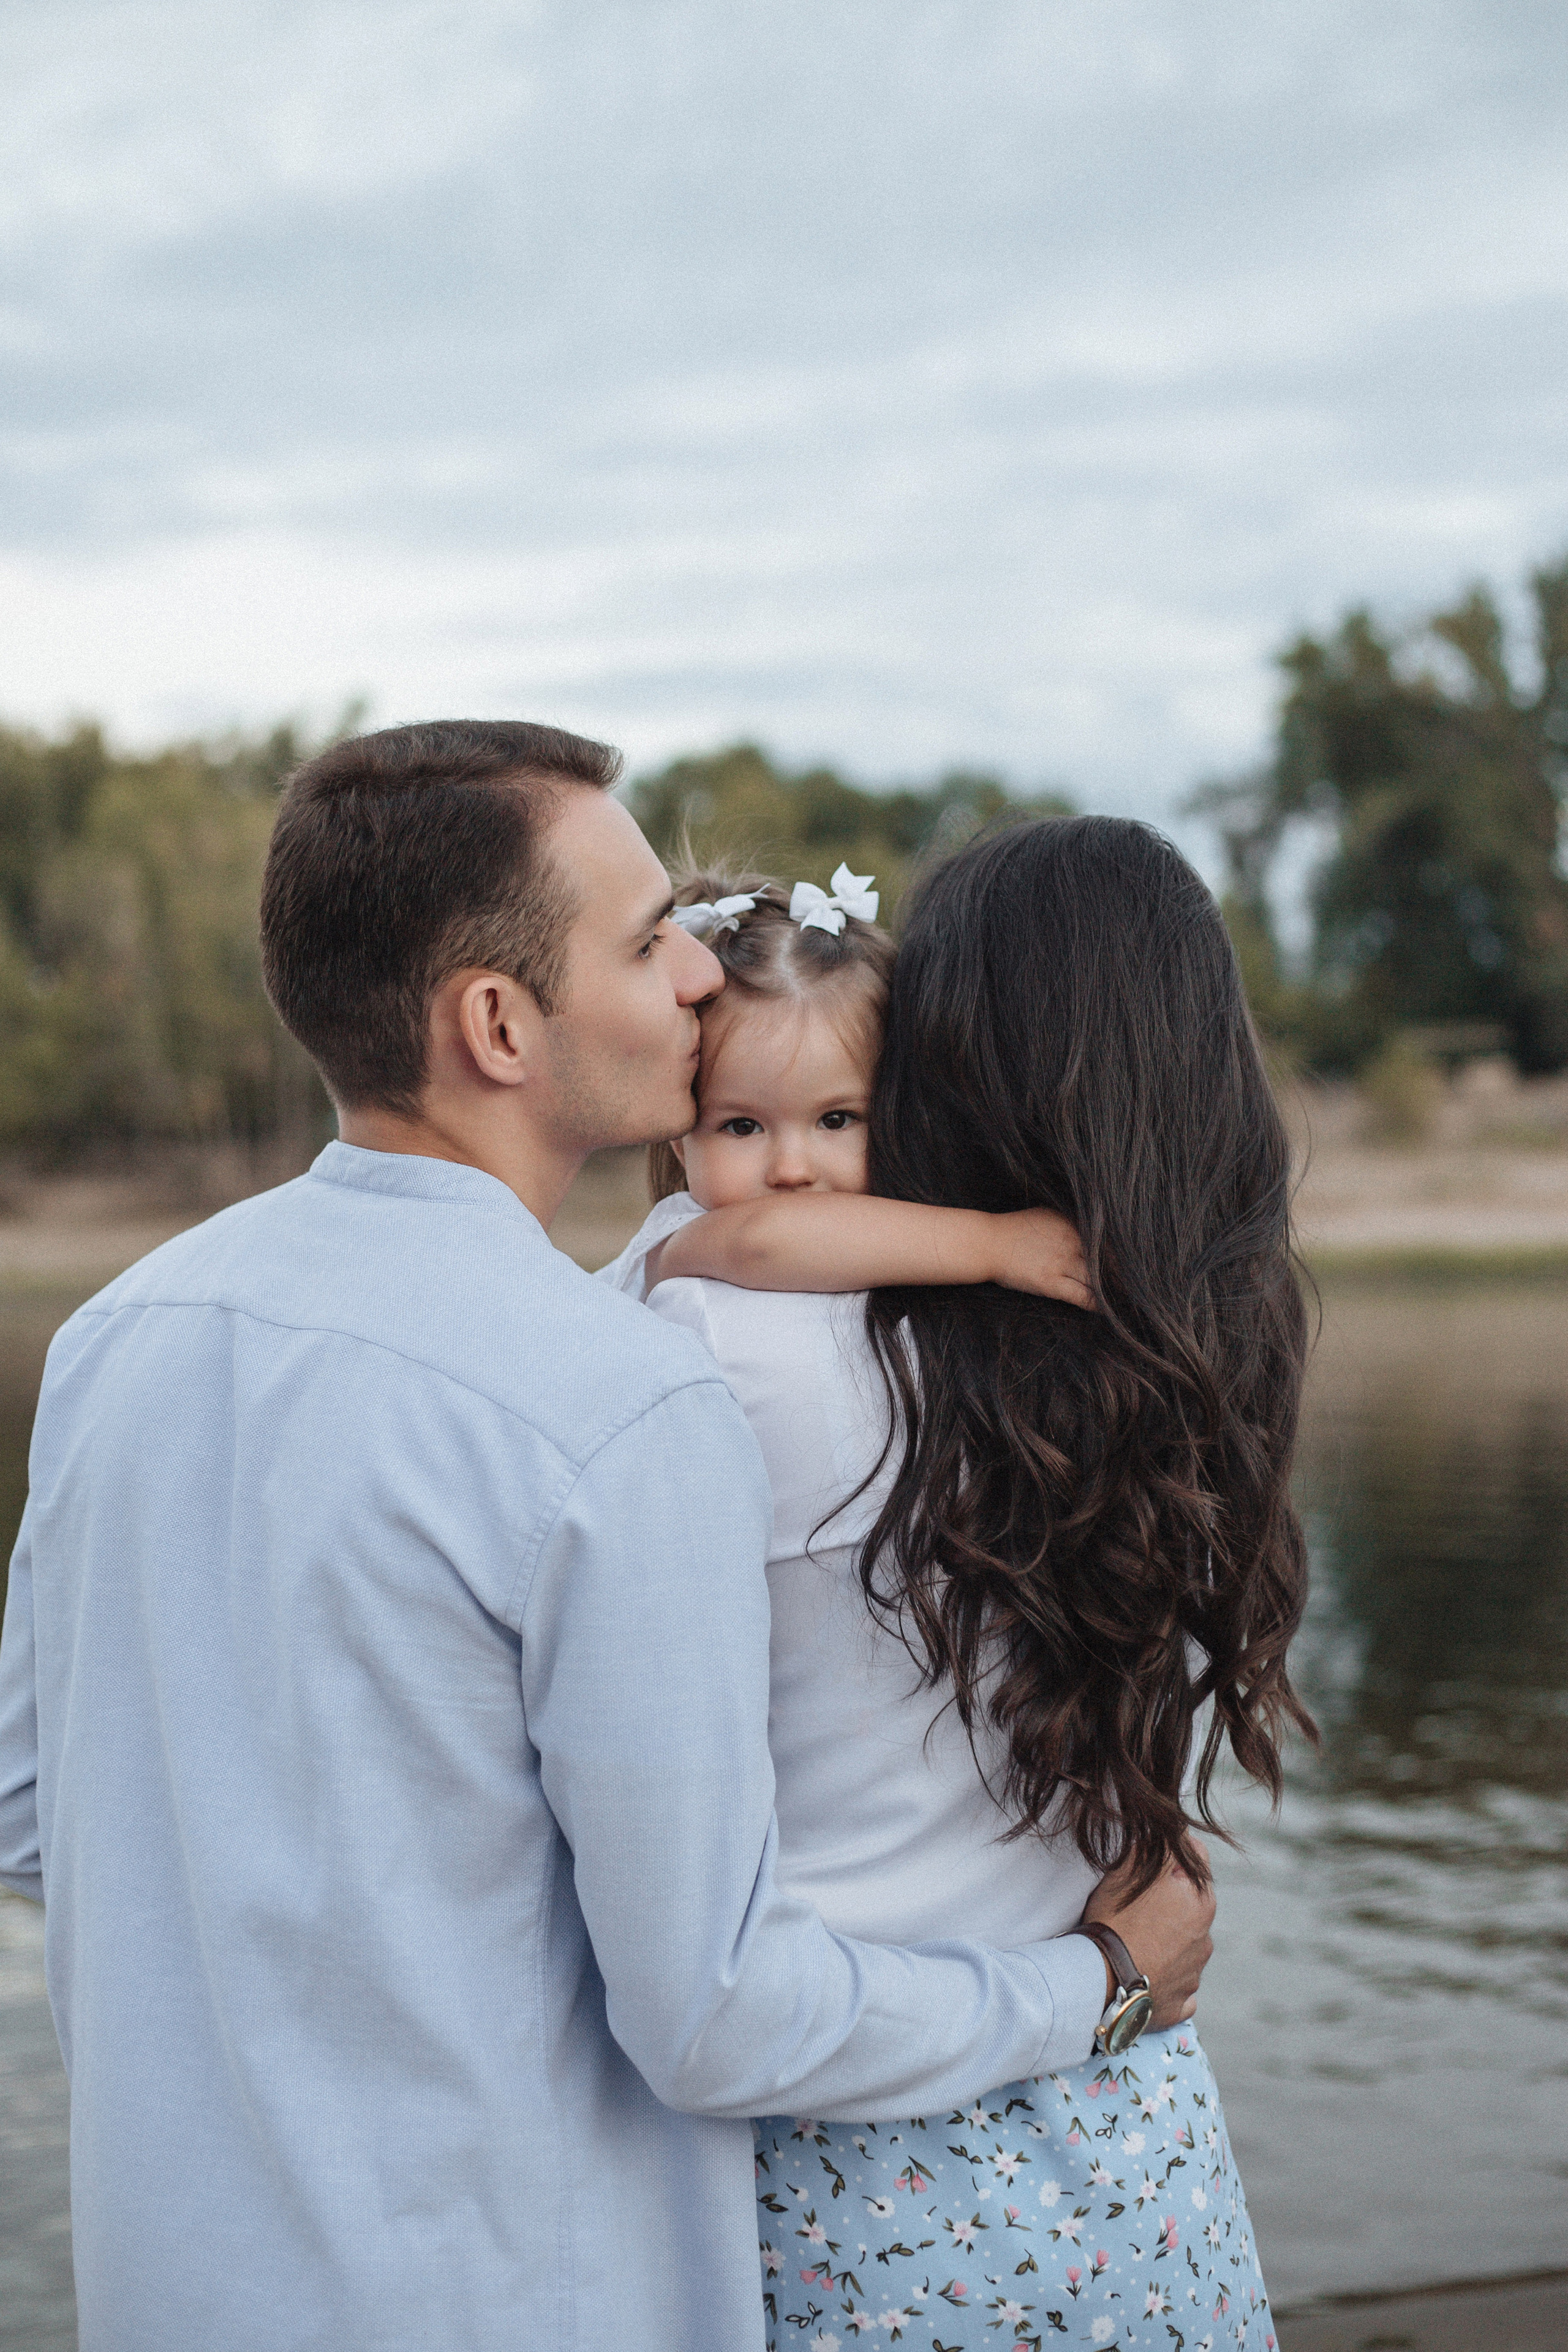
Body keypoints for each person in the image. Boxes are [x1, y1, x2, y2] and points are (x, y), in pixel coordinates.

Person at [0, 723, 1215, 2352]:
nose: (704, 979)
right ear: (498, 1023)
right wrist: (1102, 1985)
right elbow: (720, 2019)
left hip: (175, 2292)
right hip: (503, 2299)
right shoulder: (621, 1405)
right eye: (650, 945)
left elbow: (34, 1823)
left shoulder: (116, 1337)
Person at [603, 820, 1311, 2348]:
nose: (783, 1156)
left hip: (867, 2164)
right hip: (1138, 2150)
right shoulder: (1179, 1344)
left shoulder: (721, 1352)